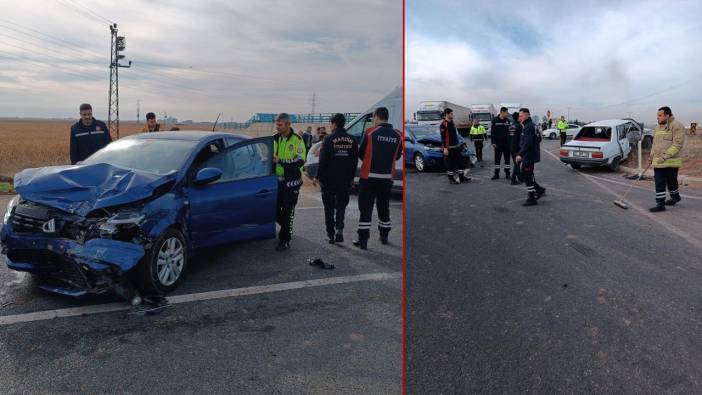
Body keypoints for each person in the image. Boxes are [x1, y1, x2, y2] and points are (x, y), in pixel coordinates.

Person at [353, 107, 402, 250]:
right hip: (387, 178)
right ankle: (384, 236)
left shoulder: (370, 132)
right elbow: (397, 156)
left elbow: (360, 153)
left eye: (373, 118)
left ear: (376, 117)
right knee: (383, 207)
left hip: (369, 177)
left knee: (366, 209)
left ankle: (363, 240)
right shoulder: (398, 135)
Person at [315, 113, 358, 244]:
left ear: (333, 124)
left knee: (329, 208)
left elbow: (322, 161)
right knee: (341, 206)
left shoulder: (328, 139)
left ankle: (330, 234)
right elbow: (354, 161)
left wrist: (317, 177)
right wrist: (351, 178)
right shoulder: (353, 139)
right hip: (345, 179)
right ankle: (339, 229)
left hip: (329, 180)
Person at [273, 113, 307, 251]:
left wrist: (281, 161)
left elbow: (300, 160)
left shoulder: (297, 140)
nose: (277, 127)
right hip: (275, 182)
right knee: (273, 210)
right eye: (276, 124)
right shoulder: (274, 138)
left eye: (280, 125)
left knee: (288, 211)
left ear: (288, 124)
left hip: (291, 183)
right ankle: (287, 228)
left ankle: (285, 239)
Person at [648, 106, 685, 212]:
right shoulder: (657, 128)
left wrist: (664, 157)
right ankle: (660, 204)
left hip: (671, 162)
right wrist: (651, 157)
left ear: (667, 115)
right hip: (659, 162)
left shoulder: (677, 125)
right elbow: (654, 145)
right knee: (659, 182)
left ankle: (675, 197)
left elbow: (677, 145)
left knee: (672, 182)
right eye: (657, 116)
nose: (657, 118)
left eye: (660, 115)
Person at [515, 108, 546, 206]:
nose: (519, 118)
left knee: (527, 176)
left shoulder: (528, 126)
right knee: (527, 174)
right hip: (530, 154)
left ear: (527, 115)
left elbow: (527, 143)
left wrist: (520, 154)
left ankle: (532, 198)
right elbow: (539, 138)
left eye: (521, 116)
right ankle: (539, 190)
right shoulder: (532, 126)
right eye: (519, 116)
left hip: (528, 155)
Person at [440, 108, 463, 184]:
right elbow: (443, 137)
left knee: (460, 162)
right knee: (450, 164)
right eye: (451, 114)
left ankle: (462, 177)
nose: (452, 115)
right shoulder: (443, 124)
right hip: (449, 148)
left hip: (456, 146)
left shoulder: (452, 122)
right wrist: (445, 149)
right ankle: (451, 179)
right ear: (447, 114)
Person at [490, 107, 511, 180]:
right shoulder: (495, 120)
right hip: (498, 144)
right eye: (506, 113)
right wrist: (493, 142)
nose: (507, 114)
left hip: (507, 144)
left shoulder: (508, 121)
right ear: (502, 112)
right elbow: (492, 132)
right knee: (497, 159)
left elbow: (510, 132)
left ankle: (507, 174)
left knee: (507, 159)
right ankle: (496, 174)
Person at [509, 112, 523, 185]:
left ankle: (520, 178)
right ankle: (513, 179)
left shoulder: (511, 125)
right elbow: (521, 138)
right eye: (520, 116)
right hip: (517, 147)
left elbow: (509, 137)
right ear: (518, 117)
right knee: (517, 164)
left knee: (516, 163)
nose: (521, 118)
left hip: (511, 146)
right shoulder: (519, 126)